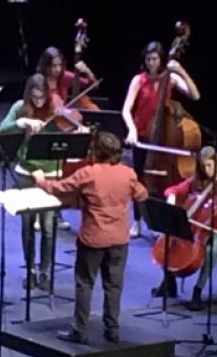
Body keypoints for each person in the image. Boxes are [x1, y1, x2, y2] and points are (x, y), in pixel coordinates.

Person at [32, 131, 147, 344]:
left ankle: (80, 330)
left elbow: (59, 188)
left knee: (85, 284)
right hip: (119, 239)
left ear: (95, 151)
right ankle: (112, 330)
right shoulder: (128, 173)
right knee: (114, 286)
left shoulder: (88, 173)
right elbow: (142, 195)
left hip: (93, 238)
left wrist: (41, 182)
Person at [120, 41, 200, 235]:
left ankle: (162, 223)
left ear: (162, 59)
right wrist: (131, 130)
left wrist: (180, 70)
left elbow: (195, 95)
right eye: (148, 59)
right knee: (140, 180)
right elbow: (126, 109)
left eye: (155, 59)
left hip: (164, 139)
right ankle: (137, 221)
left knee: (165, 182)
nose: (151, 63)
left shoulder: (170, 78)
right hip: (141, 136)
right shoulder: (138, 80)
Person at [0, 74, 70, 290]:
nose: (39, 102)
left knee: (48, 227)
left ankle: (45, 272)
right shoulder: (21, 107)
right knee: (27, 226)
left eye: (42, 97)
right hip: (26, 172)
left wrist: (75, 125)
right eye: (35, 97)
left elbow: (72, 127)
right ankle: (30, 270)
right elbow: (2, 128)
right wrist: (22, 122)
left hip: (50, 174)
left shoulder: (55, 107)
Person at [157, 146, 217, 305]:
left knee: (211, 251)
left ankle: (198, 290)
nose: (207, 170)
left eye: (210, 166)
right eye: (204, 166)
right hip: (196, 227)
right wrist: (171, 196)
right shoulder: (196, 181)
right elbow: (174, 189)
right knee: (169, 238)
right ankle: (169, 282)